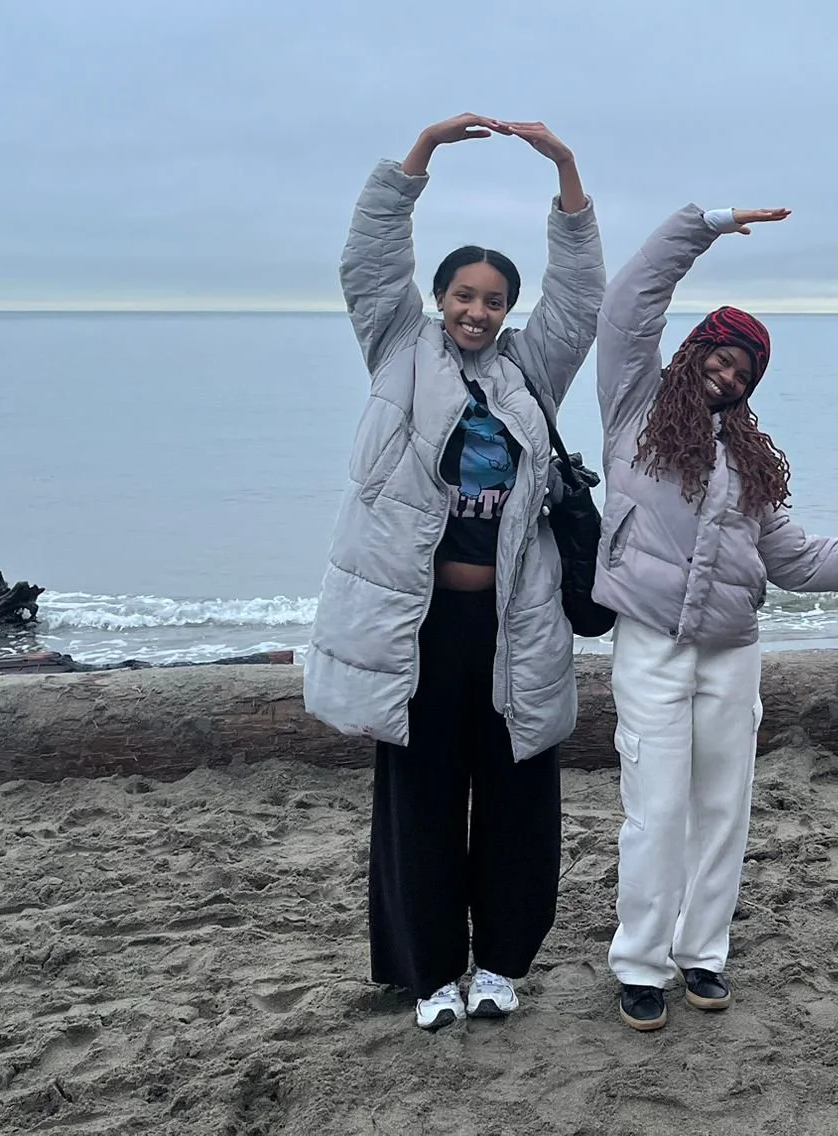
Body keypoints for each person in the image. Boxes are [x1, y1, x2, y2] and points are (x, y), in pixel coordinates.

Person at [595, 202, 838, 1032]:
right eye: (721, 359)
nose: (728, 378)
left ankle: (703, 956)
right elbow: (629, 303)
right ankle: (641, 964)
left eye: (744, 373)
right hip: (649, 641)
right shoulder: (632, 405)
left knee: (724, 809)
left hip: (731, 651)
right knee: (655, 810)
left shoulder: (748, 459)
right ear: (694, 354)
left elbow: (799, 564)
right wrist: (703, 225)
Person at [303, 114, 604, 1032]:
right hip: (415, 628)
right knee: (421, 800)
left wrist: (565, 169)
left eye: (494, 300)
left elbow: (581, 298)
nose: (478, 311)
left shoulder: (531, 373)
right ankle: (432, 973)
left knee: (518, 794)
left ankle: (501, 967)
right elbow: (368, 262)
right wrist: (419, 156)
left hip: (512, 625)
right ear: (439, 298)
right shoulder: (400, 348)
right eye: (464, 296)